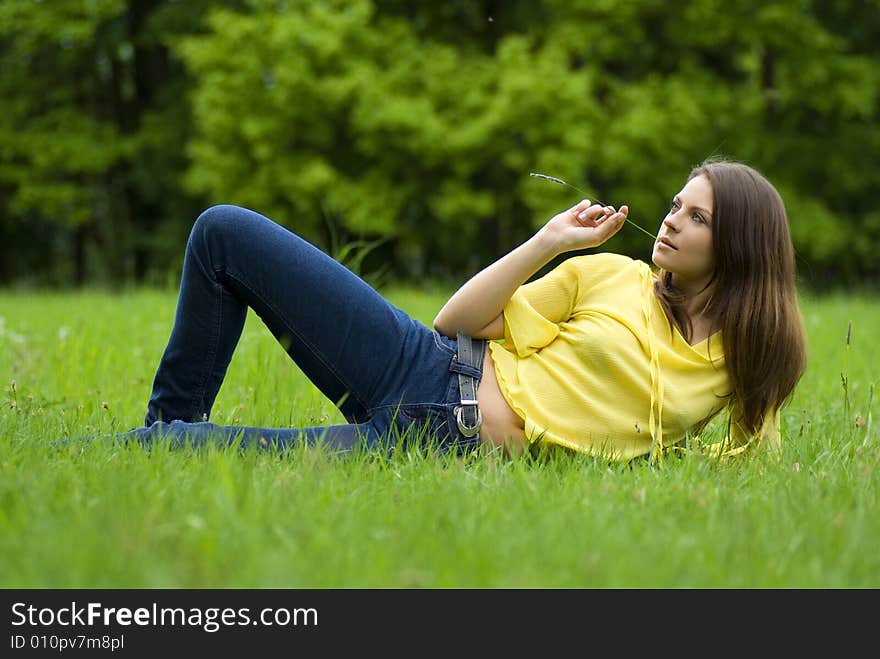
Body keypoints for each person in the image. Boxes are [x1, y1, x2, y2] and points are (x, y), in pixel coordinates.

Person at [119, 157, 807, 462]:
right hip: (427, 362)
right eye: (674, 206)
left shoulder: (738, 362)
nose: (671, 221)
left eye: (698, 217)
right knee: (223, 232)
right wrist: (549, 241)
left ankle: (161, 449)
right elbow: (456, 320)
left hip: (442, 446)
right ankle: (160, 433)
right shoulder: (610, 275)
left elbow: (748, 458)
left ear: (740, 245)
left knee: (190, 451)